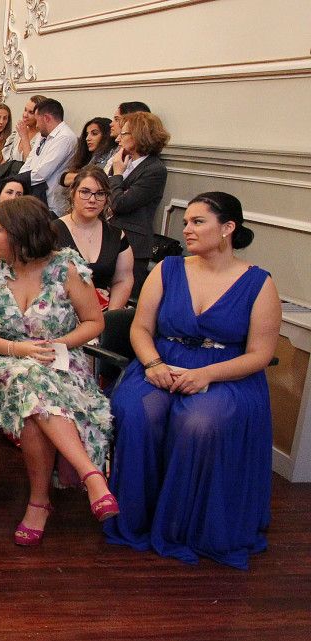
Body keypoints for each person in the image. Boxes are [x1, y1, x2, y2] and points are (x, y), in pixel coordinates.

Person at [105, 192, 279, 569]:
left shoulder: (259, 283)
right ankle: (136, 519)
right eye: (186, 221)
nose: (187, 228)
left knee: (199, 422)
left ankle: (185, 528)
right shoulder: (167, 270)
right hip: (162, 361)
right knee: (136, 411)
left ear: (228, 228)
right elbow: (141, 328)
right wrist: (151, 364)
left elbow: (260, 355)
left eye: (198, 221)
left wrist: (206, 375)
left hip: (225, 373)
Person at [0, 197, 116, 546]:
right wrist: (20, 349)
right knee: (29, 382)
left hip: (60, 361)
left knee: (33, 407)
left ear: (21, 235)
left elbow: (94, 322)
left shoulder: (67, 268)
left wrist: (54, 345)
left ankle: (39, 502)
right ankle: (91, 475)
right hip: (4, 362)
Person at [53, 167, 133, 310]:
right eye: (85, 192)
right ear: (73, 193)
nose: (92, 199)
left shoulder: (116, 235)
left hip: (104, 312)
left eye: (100, 194)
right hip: (59, 312)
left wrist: (109, 317)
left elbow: (123, 279)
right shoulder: (52, 231)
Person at [108, 111, 170, 292]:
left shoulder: (154, 169)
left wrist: (118, 175)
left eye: (124, 133)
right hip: (110, 238)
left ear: (139, 135)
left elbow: (120, 203)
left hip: (133, 243)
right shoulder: (123, 161)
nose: (118, 138)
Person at [16, 98, 77, 215]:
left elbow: (42, 173)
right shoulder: (43, 135)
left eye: (38, 121)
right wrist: (17, 181)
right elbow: (30, 161)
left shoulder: (65, 137)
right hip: (35, 198)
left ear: (47, 118)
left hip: (51, 204)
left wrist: (18, 180)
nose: (37, 125)